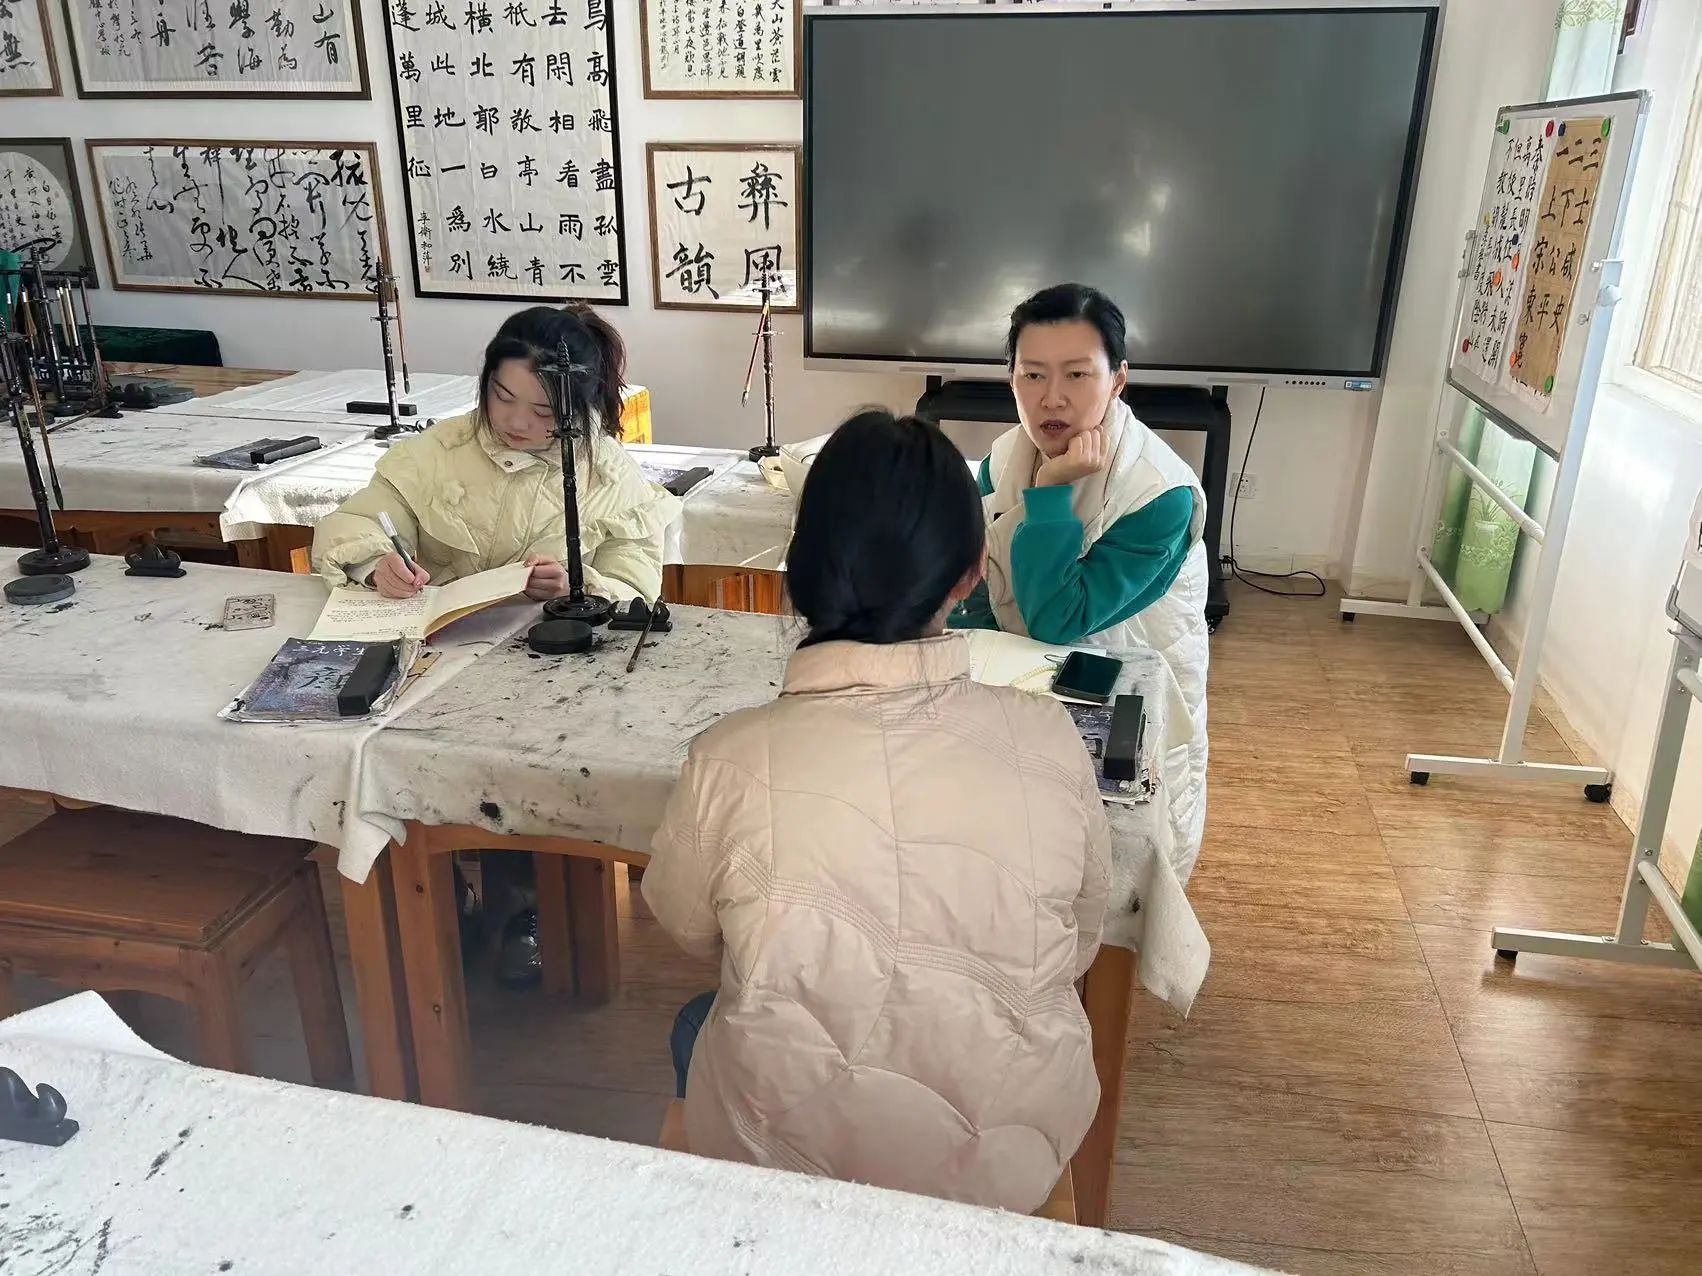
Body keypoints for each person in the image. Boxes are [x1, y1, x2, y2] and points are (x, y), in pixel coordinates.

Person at [642, 410, 1112, 1214]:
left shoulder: (728, 756)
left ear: (801, 568)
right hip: (1007, 1165)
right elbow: (1082, 938)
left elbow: (685, 926)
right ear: (970, 575)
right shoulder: (1049, 734)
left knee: (701, 1019)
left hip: (785, 1168)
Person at [313, 303, 679, 983]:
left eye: (542, 412)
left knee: (525, 777)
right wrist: (376, 562)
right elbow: (356, 521)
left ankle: (521, 906)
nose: (515, 421)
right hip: (438, 652)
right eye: (502, 397)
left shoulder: (603, 472)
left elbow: (637, 578)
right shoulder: (439, 452)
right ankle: (439, 899)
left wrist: (579, 585)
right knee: (400, 762)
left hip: (543, 671)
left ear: (577, 409)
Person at [952, 282, 1210, 870]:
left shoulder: (1158, 494)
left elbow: (1056, 620)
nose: (1052, 398)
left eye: (1077, 375)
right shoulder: (1006, 455)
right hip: (1026, 679)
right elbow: (978, 570)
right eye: (1032, 375)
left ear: (1117, 380)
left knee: (1115, 852)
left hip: (1121, 690)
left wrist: (1051, 493)